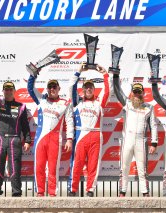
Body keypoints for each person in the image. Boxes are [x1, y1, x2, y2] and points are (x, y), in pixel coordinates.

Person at [0, 81, 31, 197]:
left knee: (15, 167)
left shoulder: (21, 106)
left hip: (14, 139)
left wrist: (27, 140)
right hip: (0, 137)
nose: (8, 91)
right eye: (6, 89)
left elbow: (25, 125)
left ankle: (16, 192)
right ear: (3, 91)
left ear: (14, 91)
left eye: (10, 89)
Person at [67, 64, 110, 197]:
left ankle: (90, 189)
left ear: (94, 89)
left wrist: (105, 74)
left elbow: (107, 91)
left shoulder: (99, 103)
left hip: (96, 134)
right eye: (86, 87)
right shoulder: (77, 102)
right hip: (81, 134)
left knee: (93, 165)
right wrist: (78, 71)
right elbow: (71, 87)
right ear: (83, 89)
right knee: (77, 164)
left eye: (91, 87)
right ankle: (73, 189)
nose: (89, 89)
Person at [27, 75, 74, 197]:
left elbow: (69, 121)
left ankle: (52, 194)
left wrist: (69, 139)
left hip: (55, 139)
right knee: (39, 167)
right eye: (50, 87)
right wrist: (33, 74)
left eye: (54, 87)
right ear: (47, 89)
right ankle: (40, 192)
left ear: (59, 89)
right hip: (40, 139)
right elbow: (30, 88)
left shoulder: (65, 103)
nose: (52, 89)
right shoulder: (42, 99)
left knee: (53, 168)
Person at [113, 73, 158, 197]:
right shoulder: (127, 104)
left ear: (143, 93)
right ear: (132, 93)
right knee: (124, 167)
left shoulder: (149, 108)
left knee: (142, 169)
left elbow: (153, 126)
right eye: (135, 92)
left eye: (139, 92)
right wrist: (115, 75)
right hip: (127, 139)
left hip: (141, 140)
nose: (137, 94)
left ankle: (145, 193)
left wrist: (154, 142)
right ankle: (122, 192)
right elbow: (117, 91)